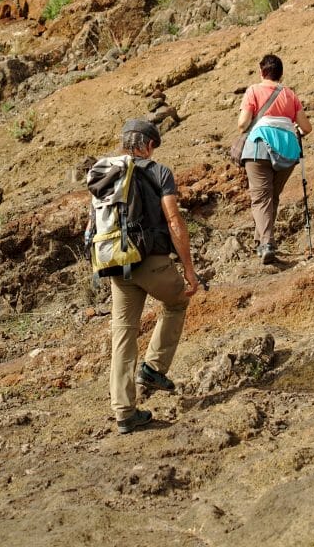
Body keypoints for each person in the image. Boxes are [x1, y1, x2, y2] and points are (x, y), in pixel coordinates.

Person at [109, 118, 200, 434]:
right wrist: (188, 269)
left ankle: (124, 413)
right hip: (150, 260)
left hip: (115, 262)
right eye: (153, 145)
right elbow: (173, 221)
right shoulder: (159, 172)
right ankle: (153, 368)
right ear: (146, 144)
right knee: (177, 303)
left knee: (123, 336)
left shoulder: (106, 171)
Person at [237, 54, 312, 264]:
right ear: (281, 74)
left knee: (261, 198)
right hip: (288, 150)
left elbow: (242, 124)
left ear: (262, 72)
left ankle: (267, 243)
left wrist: (249, 120)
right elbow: (306, 128)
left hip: (259, 147)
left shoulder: (253, 90)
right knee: (271, 197)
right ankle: (260, 241)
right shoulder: (290, 95)